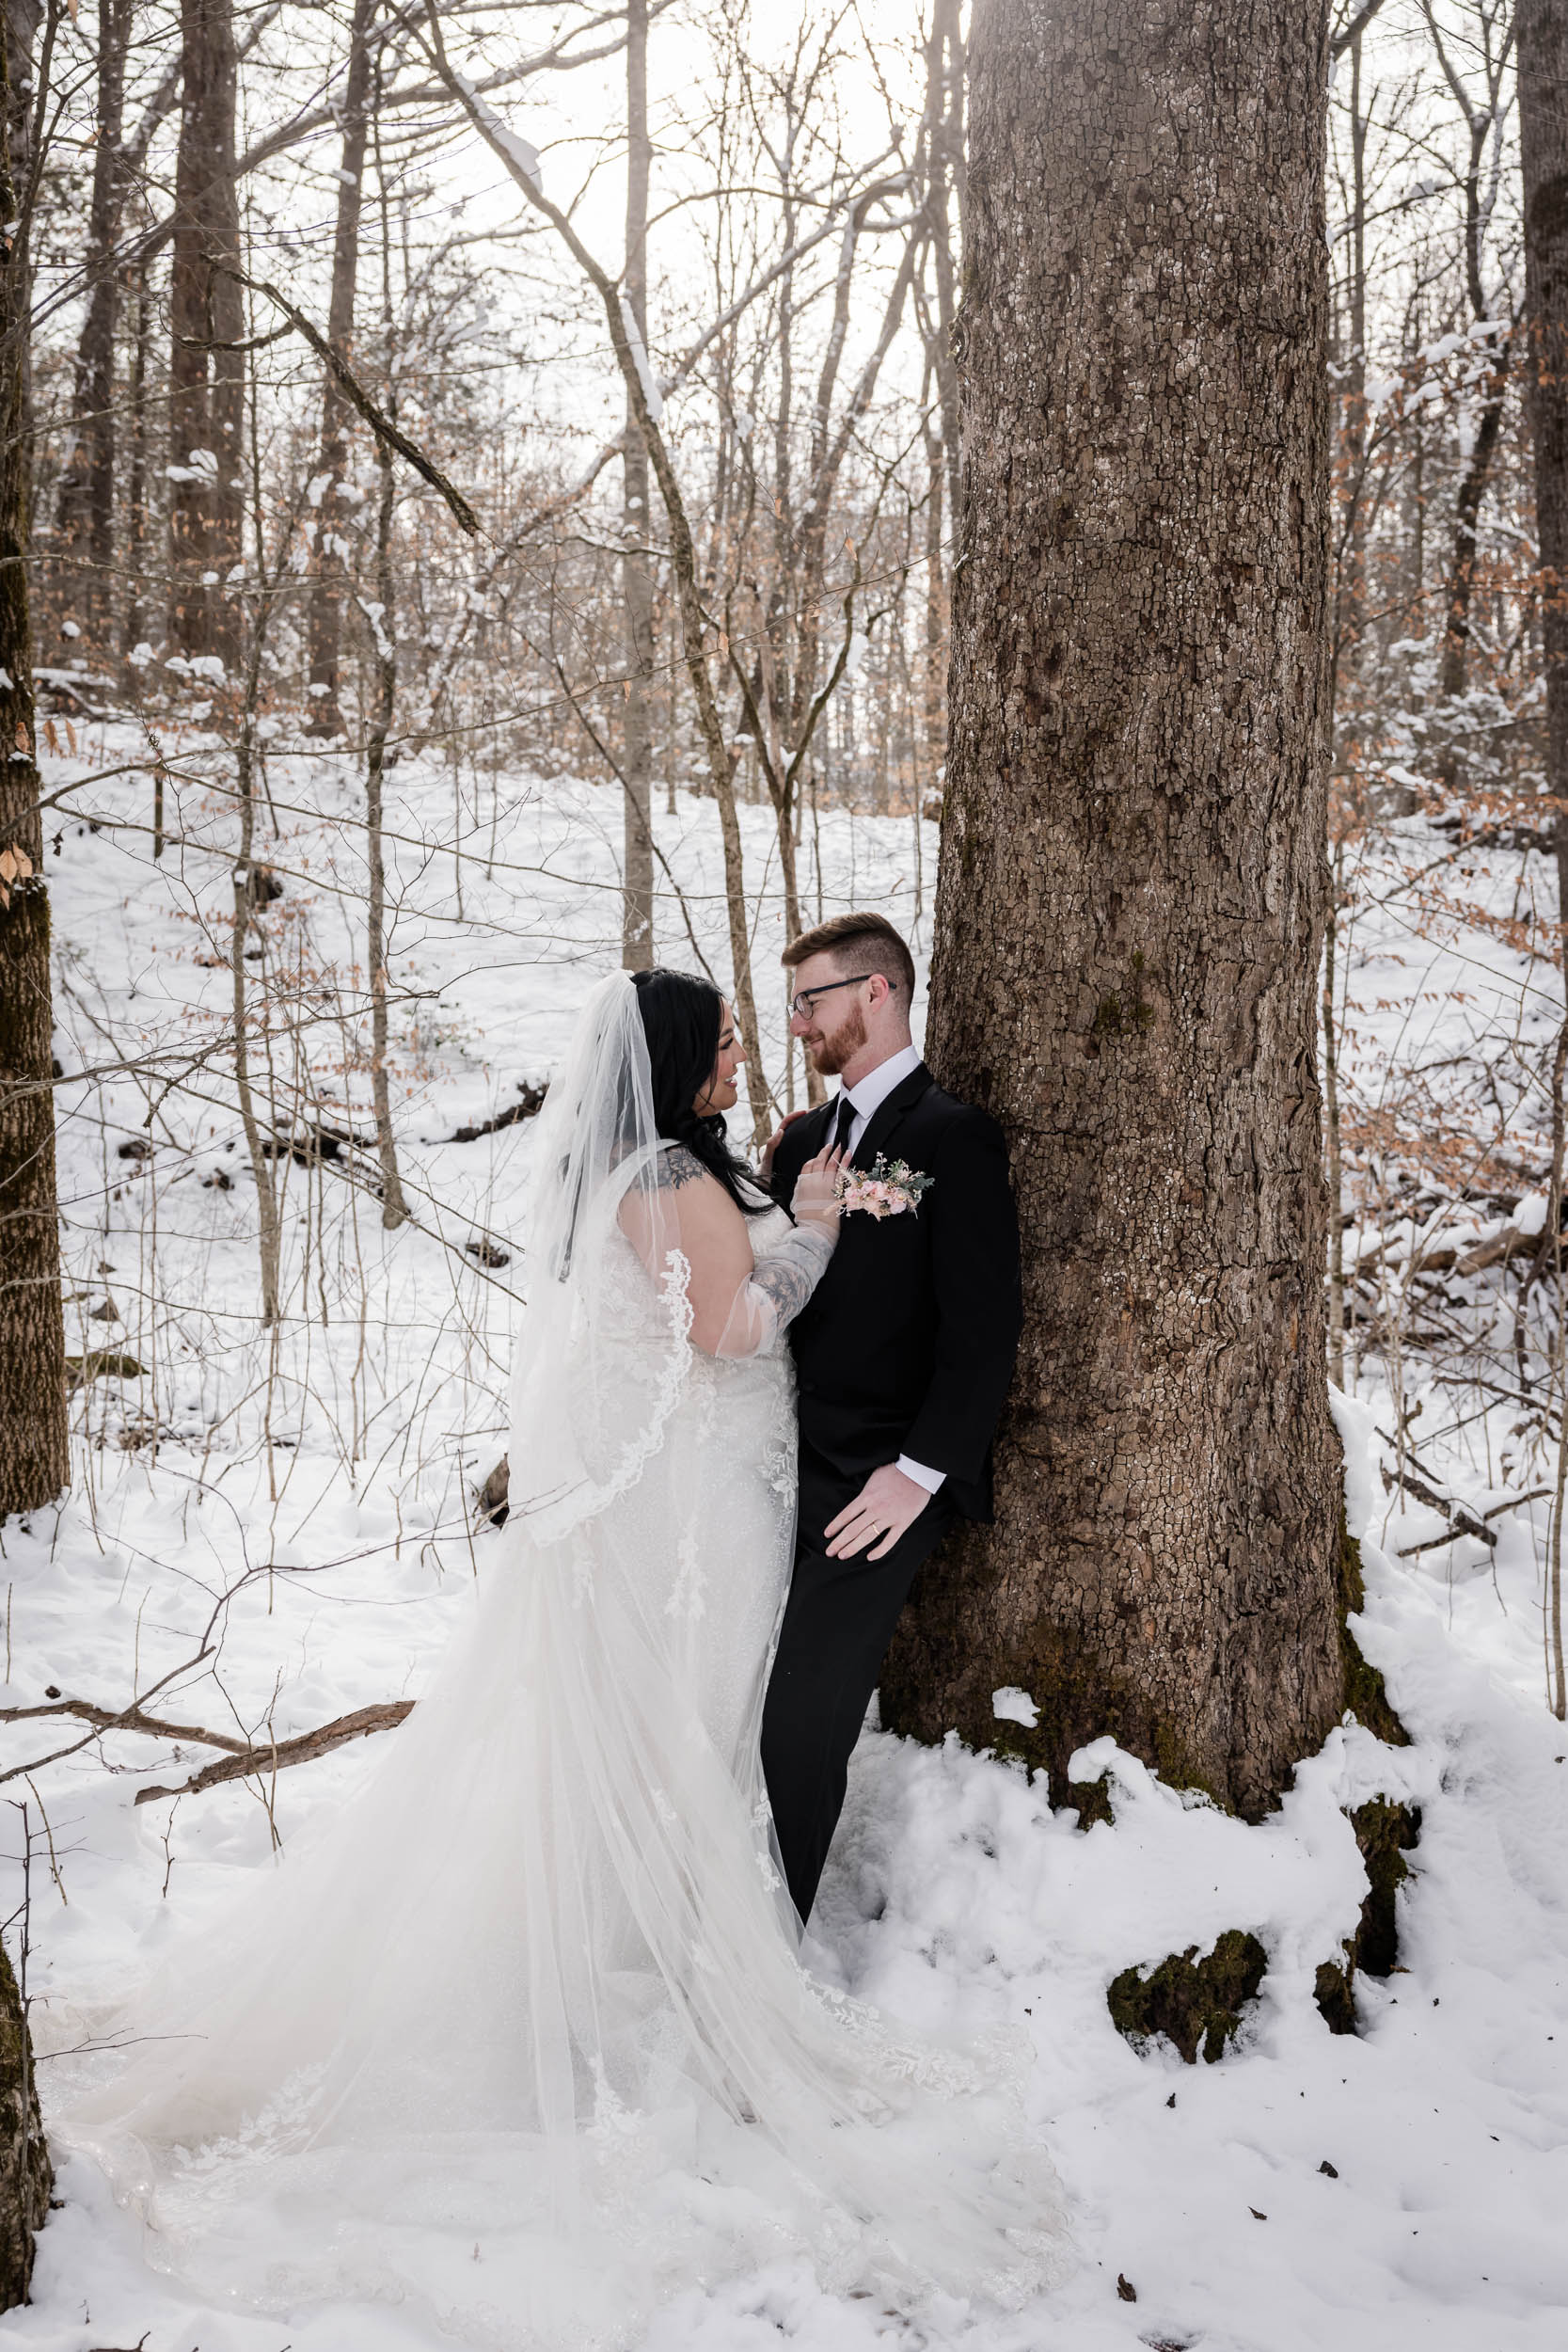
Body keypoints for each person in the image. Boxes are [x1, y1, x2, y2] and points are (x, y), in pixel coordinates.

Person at [56, 966, 1065, 2350]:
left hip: (720, 1485)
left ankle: (640, 1948)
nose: (736, 1060)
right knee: (683, 1724)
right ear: (664, 1059)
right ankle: (644, 1966)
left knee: (686, 1727)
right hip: (701, 1501)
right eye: (715, 1042)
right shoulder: (664, 1177)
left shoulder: (675, 1164)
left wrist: (803, 1237)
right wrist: (817, 1239)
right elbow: (725, 1330)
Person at [762, 913, 1023, 1922]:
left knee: (798, 1720)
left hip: (875, 1480)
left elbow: (981, 1327)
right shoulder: (798, 1144)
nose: (796, 1024)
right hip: (775, 1459)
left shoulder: (951, 1136)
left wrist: (918, 1474)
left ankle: (765, 1942)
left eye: (809, 1000)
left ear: (877, 991)